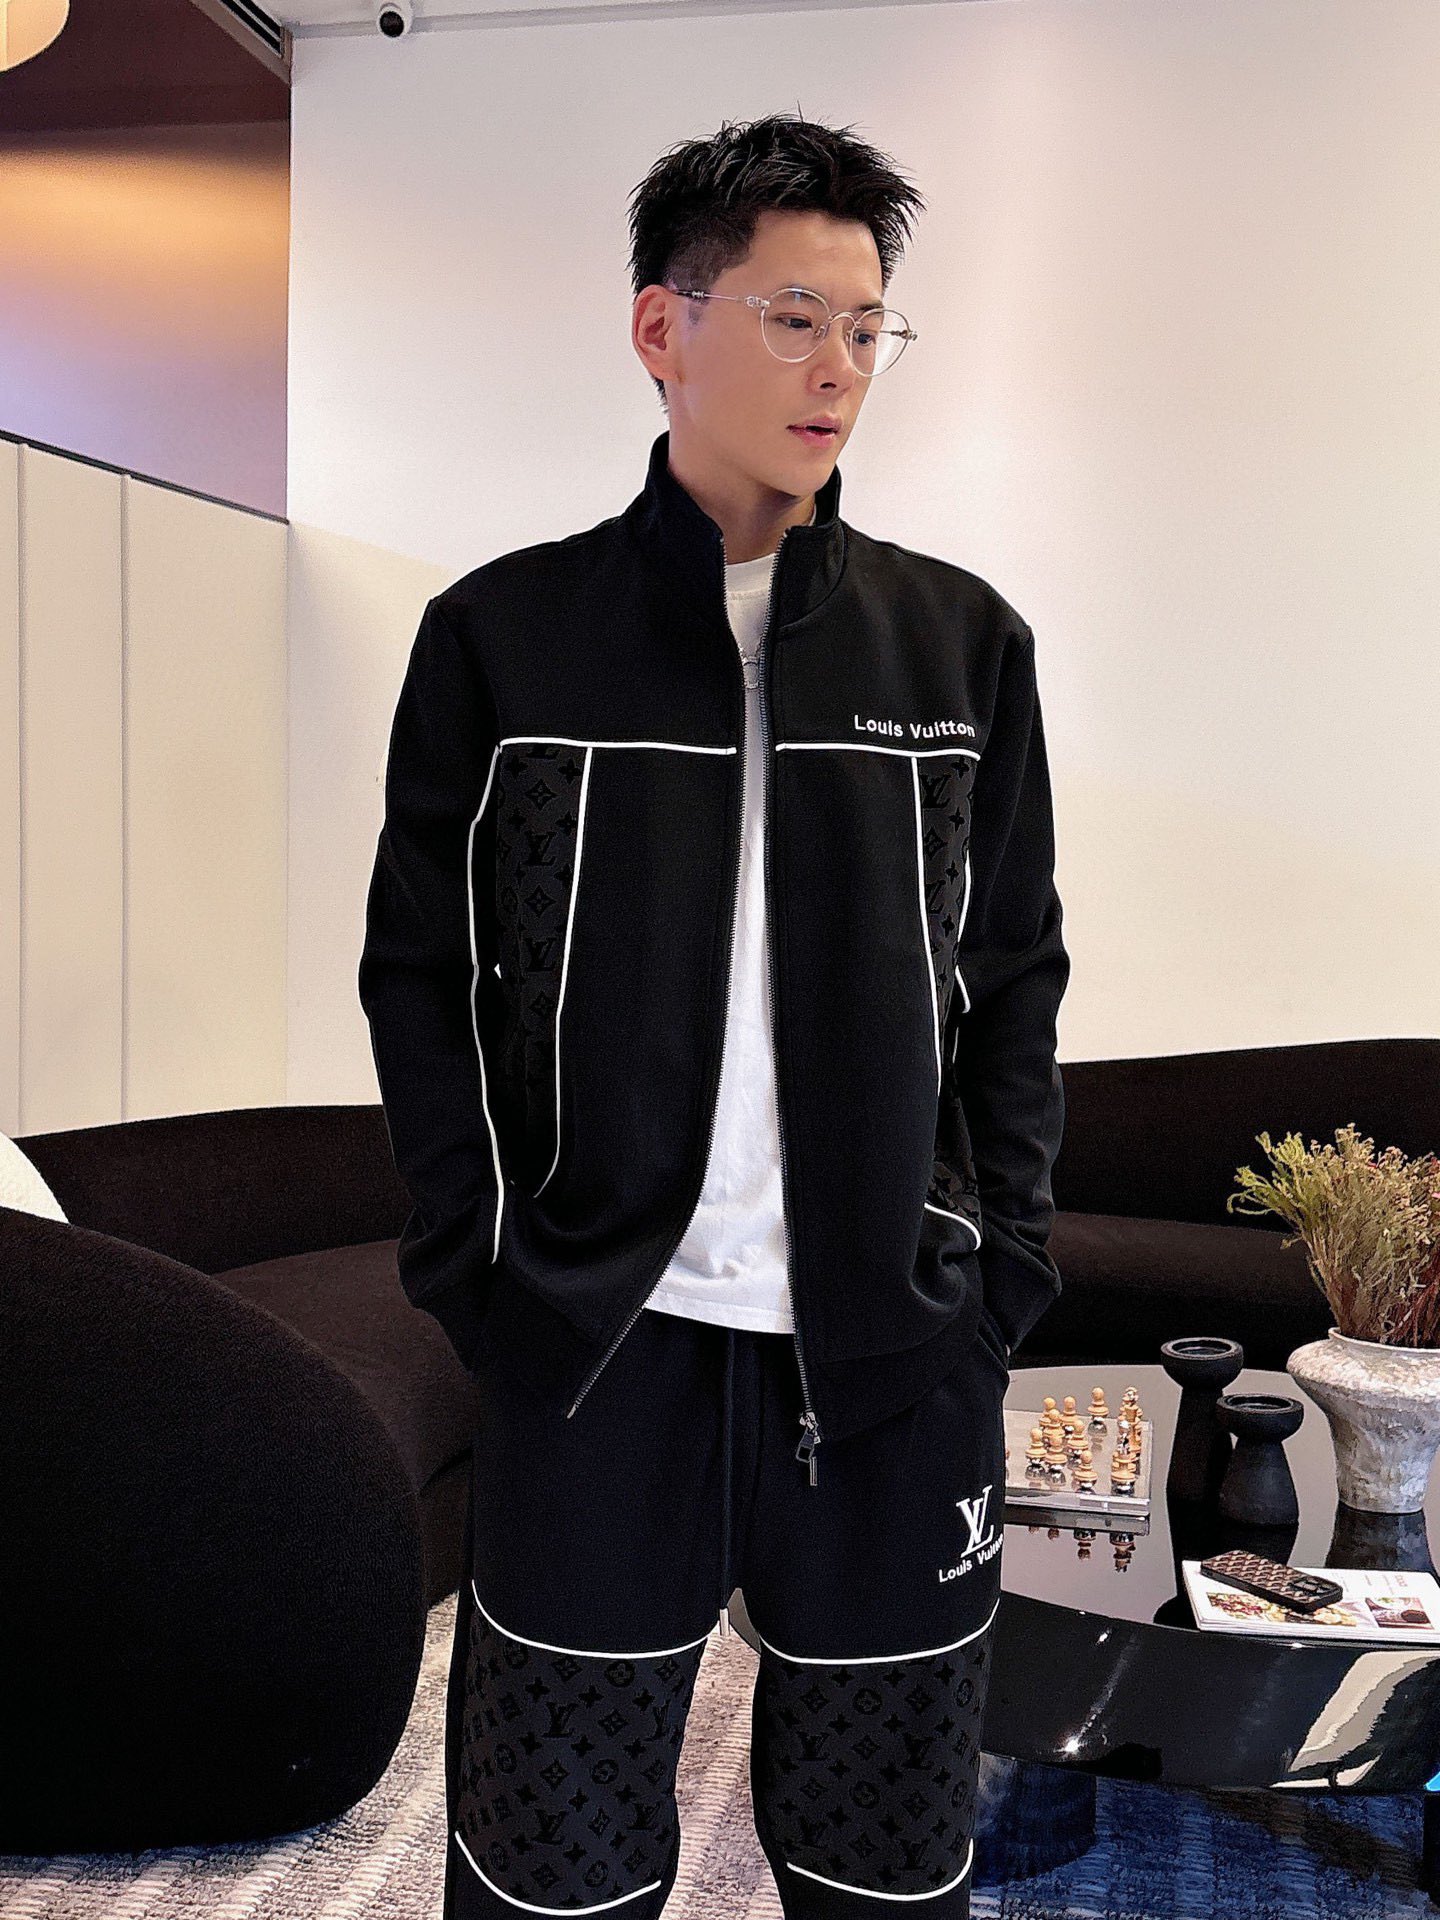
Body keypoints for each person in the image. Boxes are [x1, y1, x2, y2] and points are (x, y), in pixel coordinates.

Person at [358, 109, 1071, 1920]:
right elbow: (415, 969)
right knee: (554, 1868)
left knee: (883, 1867)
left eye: (869, 327)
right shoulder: (505, 637)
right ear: (660, 328)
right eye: (794, 318)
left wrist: (1001, 1272)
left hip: (895, 1354)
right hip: (603, 1345)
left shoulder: (959, 646)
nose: (841, 368)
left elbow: (1016, 977)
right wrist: (470, 1257)